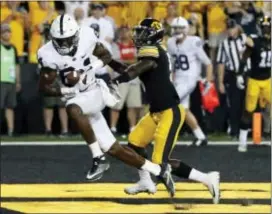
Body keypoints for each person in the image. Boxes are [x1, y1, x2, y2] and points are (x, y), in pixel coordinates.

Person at [37, 14, 175, 196]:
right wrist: (67, 90)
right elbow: (44, 88)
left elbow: (106, 56)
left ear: (76, 35)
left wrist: (89, 69)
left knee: (72, 109)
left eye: (67, 40)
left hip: (94, 91)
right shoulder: (46, 54)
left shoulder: (86, 35)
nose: (63, 45)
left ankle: (98, 158)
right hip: (79, 96)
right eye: (60, 41)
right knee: (115, 149)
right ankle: (158, 171)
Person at [108, 18, 220, 204]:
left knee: (160, 164)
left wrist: (116, 80)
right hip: (156, 112)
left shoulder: (154, 52)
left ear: (153, 35)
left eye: (142, 32)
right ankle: (145, 182)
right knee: (134, 143)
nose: (138, 36)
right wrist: (108, 60)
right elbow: (132, 69)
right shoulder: (149, 54)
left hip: (170, 111)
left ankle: (207, 179)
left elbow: (137, 69)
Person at [167, 17, 212, 146]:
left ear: (186, 29)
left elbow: (208, 63)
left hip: (189, 79)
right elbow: (172, 65)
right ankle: (201, 137)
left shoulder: (194, 42)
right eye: (175, 28)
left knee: (167, 103)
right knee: (184, 109)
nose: (177, 31)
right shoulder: (170, 42)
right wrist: (171, 79)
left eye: (180, 28)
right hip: (178, 80)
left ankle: (160, 135)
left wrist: (208, 81)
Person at [236, 16, 271, 152]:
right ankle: (242, 141)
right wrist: (239, 74)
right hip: (254, 81)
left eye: (269, 27)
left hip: (268, 80)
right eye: (264, 27)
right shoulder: (254, 41)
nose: (267, 30)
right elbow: (244, 58)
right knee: (248, 111)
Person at [216, 19, 249, 140]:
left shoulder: (245, 38)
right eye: (229, 28)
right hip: (233, 75)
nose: (230, 31)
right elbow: (221, 63)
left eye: (232, 28)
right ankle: (235, 131)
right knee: (235, 104)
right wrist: (220, 82)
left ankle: (249, 129)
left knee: (248, 103)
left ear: (237, 28)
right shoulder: (224, 43)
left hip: (247, 74)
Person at [110, 26, 142, 135]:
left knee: (133, 105)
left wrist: (130, 61)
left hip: (134, 78)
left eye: (126, 31)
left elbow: (139, 60)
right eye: (122, 31)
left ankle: (132, 128)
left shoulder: (136, 45)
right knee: (116, 105)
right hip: (121, 78)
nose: (124, 33)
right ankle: (113, 128)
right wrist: (132, 61)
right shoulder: (115, 45)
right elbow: (117, 61)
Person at [0, 24, 21, 137]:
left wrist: (18, 81)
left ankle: (10, 130)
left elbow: (16, 65)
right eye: (4, 32)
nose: (6, 34)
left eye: (8, 31)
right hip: (1, 80)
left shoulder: (13, 48)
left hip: (11, 81)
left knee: (10, 106)